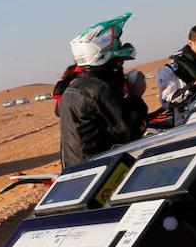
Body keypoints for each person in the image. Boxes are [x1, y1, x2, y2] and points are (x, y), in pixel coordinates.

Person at [58, 13, 148, 168]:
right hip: (99, 168)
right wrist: (136, 96)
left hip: (76, 167)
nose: (121, 47)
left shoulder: (75, 86)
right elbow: (131, 131)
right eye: (118, 43)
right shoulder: (100, 89)